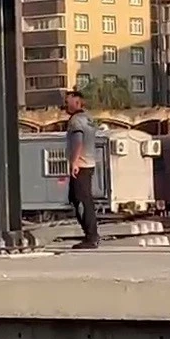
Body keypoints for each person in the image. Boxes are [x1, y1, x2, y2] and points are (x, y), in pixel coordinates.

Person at [65, 90, 99, 249]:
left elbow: (78, 141)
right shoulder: (89, 118)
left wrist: (74, 162)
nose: (65, 105)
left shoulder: (75, 121)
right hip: (89, 163)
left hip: (81, 165)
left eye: (68, 102)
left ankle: (91, 236)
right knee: (79, 198)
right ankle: (91, 234)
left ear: (77, 102)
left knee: (81, 201)